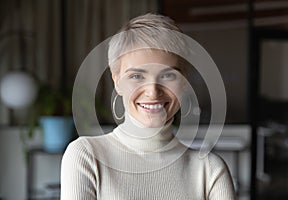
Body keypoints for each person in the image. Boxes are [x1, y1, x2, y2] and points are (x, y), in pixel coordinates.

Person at [61, 13, 236, 199]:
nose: (153, 92)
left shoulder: (209, 170)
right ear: (117, 82)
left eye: (168, 75)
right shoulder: (86, 156)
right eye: (137, 76)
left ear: (185, 81)